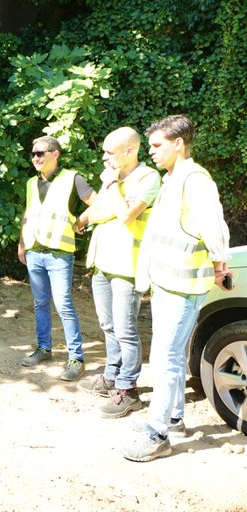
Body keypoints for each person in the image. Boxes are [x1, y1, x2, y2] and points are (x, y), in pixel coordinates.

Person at [121, 115, 231, 462]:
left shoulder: (194, 180)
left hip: (183, 286)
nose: (151, 152)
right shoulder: (173, 179)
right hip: (168, 282)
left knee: (164, 357)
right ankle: (174, 417)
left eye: (156, 145)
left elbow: (214, 227)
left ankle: (158, 434)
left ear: (178, 144)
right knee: (170, 353)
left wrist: (219, 263)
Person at [77, 128, 161, 417]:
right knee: (107, 325)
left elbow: (126, 214)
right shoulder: (115, 179)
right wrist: (113, 201)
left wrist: (112, 187)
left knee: (126, 330)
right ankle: (111, 376)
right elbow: (98, 213)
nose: (104, 157)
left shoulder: (148, 178)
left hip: (127, 265)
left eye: (109, 152)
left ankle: (128, 389)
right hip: (102, 264)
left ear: (129, 151)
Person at [18, 136, 96, 381]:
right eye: (32, 154)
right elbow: (28, 214)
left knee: (63, 305)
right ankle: (44, 348)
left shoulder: (73, 178)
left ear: (55, 154)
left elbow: (98, 203)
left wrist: (80, 221)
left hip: (60, 253)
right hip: (34, 251)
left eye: (40, 153)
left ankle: (76, 358)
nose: (35, 158)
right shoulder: (32, 183)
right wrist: (22, 244)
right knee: (40, 304)